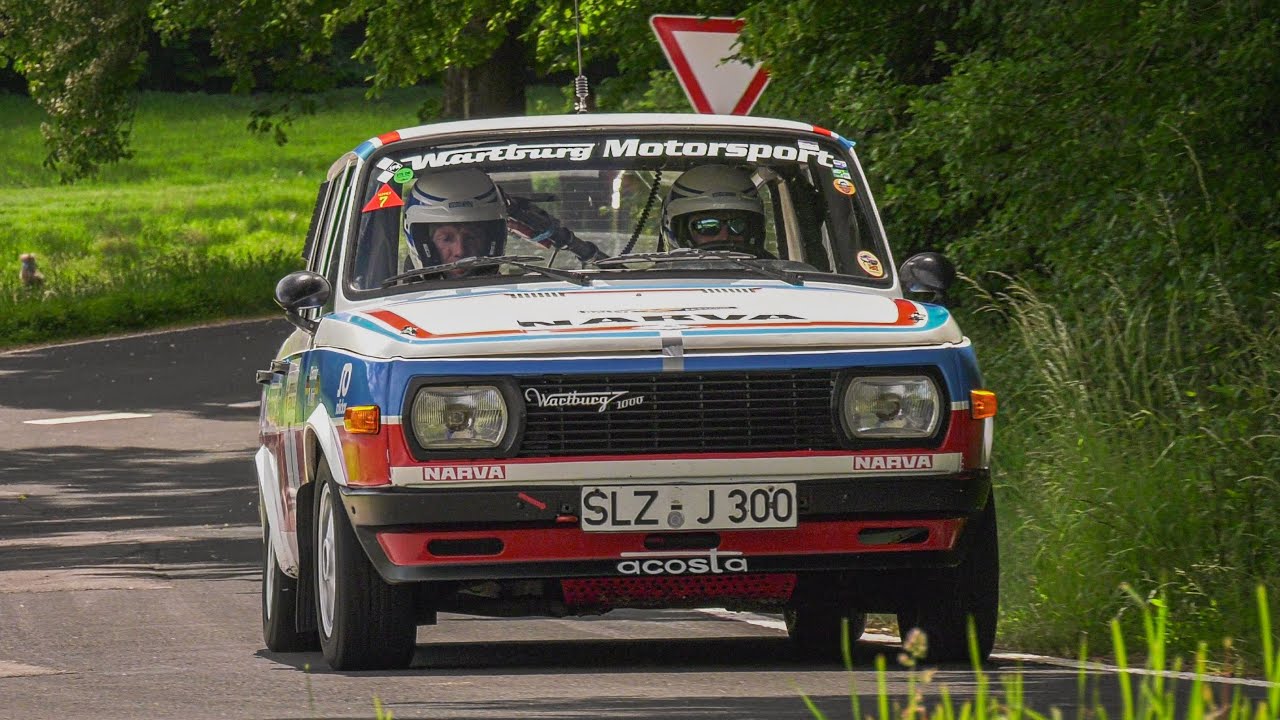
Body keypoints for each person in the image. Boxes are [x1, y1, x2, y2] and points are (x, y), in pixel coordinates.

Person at [402, 168, 507, 272]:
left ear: (490, 242)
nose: (460, 251)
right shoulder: (396, 289)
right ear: (424, 242)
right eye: (446, 239)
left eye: (471, 237)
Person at [659, 164, 769, 257]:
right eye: (708, 226)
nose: (724, 237)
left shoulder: (776, 280)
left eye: (737, 226)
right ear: (682, 234)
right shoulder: (656, 281)